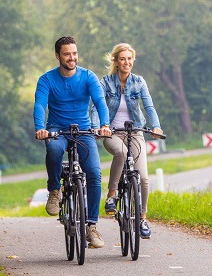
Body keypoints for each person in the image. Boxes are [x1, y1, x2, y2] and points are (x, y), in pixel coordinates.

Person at [34, 36, 112, 249]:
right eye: (67, 54)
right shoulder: (47, 79)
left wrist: (104, 124)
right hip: (56, 130)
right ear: (58, 56)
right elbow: (40, 105)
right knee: (53, 148)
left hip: (83, 131)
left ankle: (91, 226)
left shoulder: (88, 77)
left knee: (94, 173)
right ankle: (54, 190)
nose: (72, 57)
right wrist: (40, 128)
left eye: (74, 53)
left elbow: (99, 102)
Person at [91, 43, 163, 239]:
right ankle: (112, 195)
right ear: (115, 61)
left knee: (144, 178)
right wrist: (99, 127)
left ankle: (143, 219)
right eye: (122, 58)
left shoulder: (139, 82)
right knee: (121, 152)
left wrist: (156, 126)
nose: (126, 62)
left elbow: (149, 106)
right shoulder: (105, 82)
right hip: (111, 132)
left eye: (129, 59)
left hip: (135, 132)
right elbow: (96, 107)